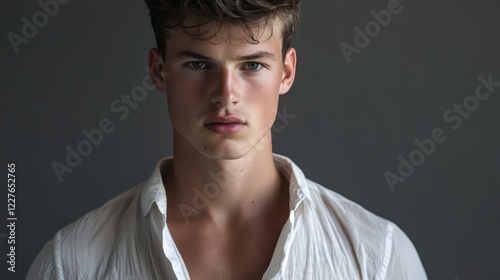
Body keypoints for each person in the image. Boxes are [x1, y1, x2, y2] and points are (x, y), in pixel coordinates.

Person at [27, 0, 427, 279]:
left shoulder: (378, 258)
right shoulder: (71, 265)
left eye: (252, 64)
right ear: (158, 70)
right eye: (198, 64)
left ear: (286, 73)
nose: (225, 94)